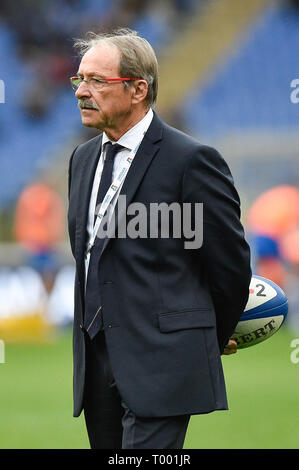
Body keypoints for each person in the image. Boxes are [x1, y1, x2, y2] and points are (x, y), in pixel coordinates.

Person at [67, 28, 251, 449]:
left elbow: (229, 265)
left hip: (164, 362)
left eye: (97, 80)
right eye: (79, 80)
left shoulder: (191, 161)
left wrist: (209, 336)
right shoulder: (82, 159)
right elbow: (91, 256)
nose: (82, 91)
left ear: (138, 89)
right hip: (96, 364)